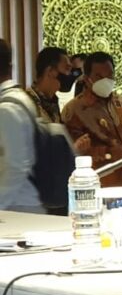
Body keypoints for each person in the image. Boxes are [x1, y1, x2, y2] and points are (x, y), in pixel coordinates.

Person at [62, 52, 122, 192]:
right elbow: (74, 150)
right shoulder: (74, 110)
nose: (106, 80)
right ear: (87, 78)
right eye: (99, 76)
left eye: (109, 75)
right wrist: (109, 153)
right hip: (100, 184)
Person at [0, 39, 43, 212]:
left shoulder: (7, 109)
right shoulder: (17, 98)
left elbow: (16, 167)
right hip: (18, 203)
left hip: (19, 205)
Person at [26, 47, 73, 123]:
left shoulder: (52, 102)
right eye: (67, 69)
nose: (69, 75)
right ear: (50, 71)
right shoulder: (27, 104)